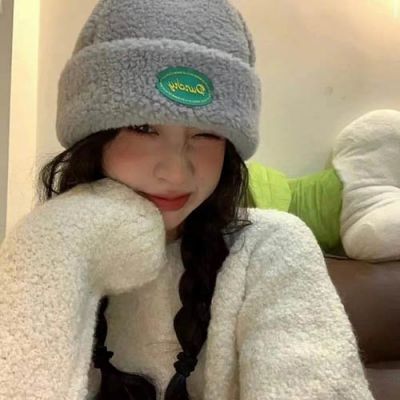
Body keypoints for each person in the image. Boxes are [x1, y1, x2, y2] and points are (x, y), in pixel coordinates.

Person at [0, 0, 375, 399]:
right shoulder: (59, 246)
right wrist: (53, 241)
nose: (177, 173)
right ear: (93, 138)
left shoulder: (270, 248)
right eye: (143, 127)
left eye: (206, 134)